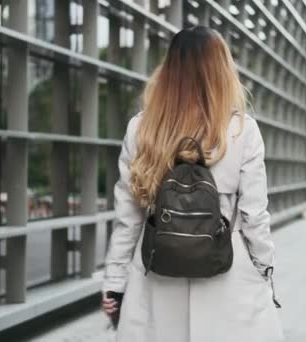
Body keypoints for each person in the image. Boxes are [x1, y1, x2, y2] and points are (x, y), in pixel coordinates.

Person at [101, 26, 283, 342]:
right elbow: (255, 216)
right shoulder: (242, 130)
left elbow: (128, 219)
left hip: (158, 272)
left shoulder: (142, 129)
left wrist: (115, 282)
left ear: (169, 71)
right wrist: (265, 269)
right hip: (227, 273)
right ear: (222, 71)